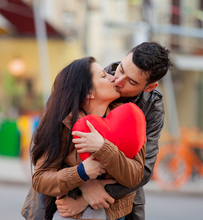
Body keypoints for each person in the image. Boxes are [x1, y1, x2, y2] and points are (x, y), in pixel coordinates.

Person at [54, 42, 172, 220]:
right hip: (66, 197)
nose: (117, 81)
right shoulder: (87, 78)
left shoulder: (151, 107)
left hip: (119, 203)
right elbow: (48, 146)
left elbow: (144, 171)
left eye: (131, 82)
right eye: (121, 69)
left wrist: (89, 197)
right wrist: (84, 184)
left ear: (149, 87)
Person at [27, 56, 147, 220]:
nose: (114, 78)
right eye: (104, 76)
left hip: (115, 213)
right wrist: (81, 173)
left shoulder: (130, 117)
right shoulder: (65, 124)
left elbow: (135, 175)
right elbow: (40, 179)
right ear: (89, 92)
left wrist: (103, 148)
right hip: (71, 213)